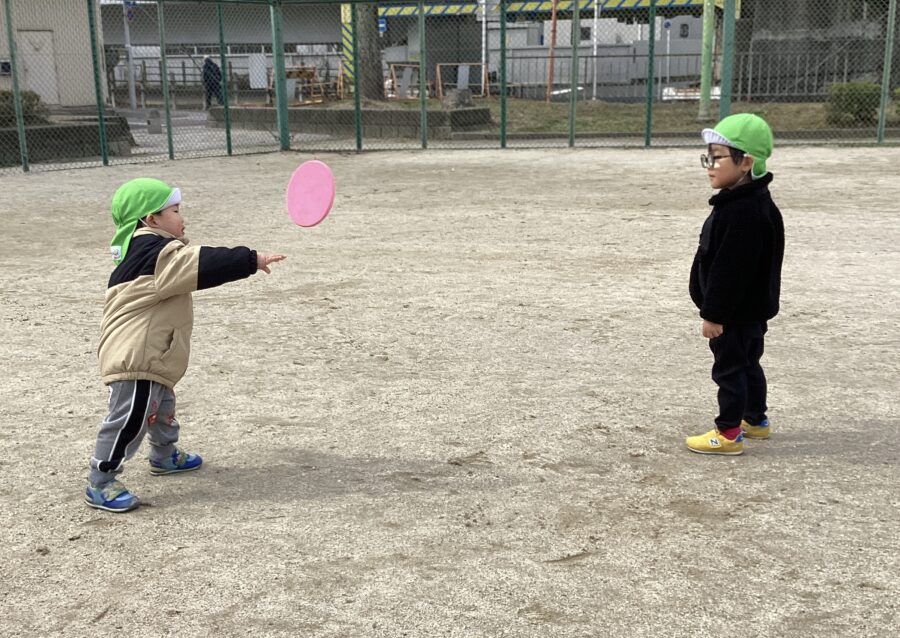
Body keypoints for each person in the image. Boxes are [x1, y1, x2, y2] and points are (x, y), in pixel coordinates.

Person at [86, 178, 286, 512]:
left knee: (162, 407)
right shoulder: (154, 253)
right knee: (130, 418)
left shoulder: (149, 251)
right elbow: (201, 263)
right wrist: (250, 259)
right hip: (135, 356)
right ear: (151, 219)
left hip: (152, 354)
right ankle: (100, 480)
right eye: (175, 211)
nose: (183, 218)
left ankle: (164, 455)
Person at [685, 113, 785, 456]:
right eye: (707, 157)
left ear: (746, 163)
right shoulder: (754, 203)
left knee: (728, 369)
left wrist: (714, 314)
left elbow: (730, 271)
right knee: (748, 364)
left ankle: (728, 433)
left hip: (734, 314)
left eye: (718, 157)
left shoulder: (741, 212)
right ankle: (755, 419)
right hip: (751, 311)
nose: (710, 166)